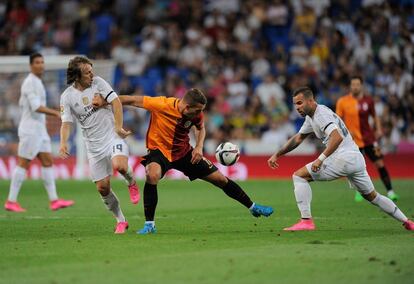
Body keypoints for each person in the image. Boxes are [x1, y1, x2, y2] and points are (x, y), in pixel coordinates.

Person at [93, 88, 274, 234]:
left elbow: (200, 129)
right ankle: (150, 225)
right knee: (152, 175)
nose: (200, 114)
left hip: (185, 153)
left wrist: (199, 146)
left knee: (220, 179)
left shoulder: (196, 114)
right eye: (197, 111)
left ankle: (252, 206)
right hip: (159, 152)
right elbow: (130, 100)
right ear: (186, 106)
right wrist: (105, 101)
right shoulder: (161, 104)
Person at [267, 86, 413, 231]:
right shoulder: (311, 117)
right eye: (295, 104)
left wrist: (320, 159)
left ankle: (306, 221)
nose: (297, 107)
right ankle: (407, 221)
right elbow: (298, 138)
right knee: (373, 197)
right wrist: (278, 154)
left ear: (311, 101)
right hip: (356, 158)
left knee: (299, 176)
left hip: (343, 157)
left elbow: (337, 137)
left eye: (300, 103)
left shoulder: (320, 114)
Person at [59, 56, 139, 234]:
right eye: (87, 72)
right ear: (77, 76)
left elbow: (116, 101)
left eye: (91, 70)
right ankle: (121, 220)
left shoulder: (99, 83)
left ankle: (131, 181)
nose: (91, 74)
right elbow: (66, 123)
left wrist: (118, 127)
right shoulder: (67, 97)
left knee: (120, 166)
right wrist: (63, 143)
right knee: (103, 188)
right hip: (93, 146)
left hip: (112, 137)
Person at [4, 53, 74, 212]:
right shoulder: (29, 83)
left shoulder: (38, 82)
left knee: (48, 161)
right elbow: (36, 107)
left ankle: (54, 200)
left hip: (40, 130)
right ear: (31, 65)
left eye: (42, 62)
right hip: (30, 130)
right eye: (37, 62)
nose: (41, 65)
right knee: (24, 163)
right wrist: (56, 113)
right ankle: (11, 201)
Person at [336, 76, 398, 202]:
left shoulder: (369, 101)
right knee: (356, 167)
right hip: (352, 141)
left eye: (357, 84)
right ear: (350, 86)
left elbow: (375, 117)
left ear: (361, 86)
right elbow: (338, 120)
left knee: (380, 163)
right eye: (353, 84)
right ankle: (360, 192)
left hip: (369, 138)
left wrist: (379, 129)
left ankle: (390, 191)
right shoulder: (342, 101)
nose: (355, 87)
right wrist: (345, 132)